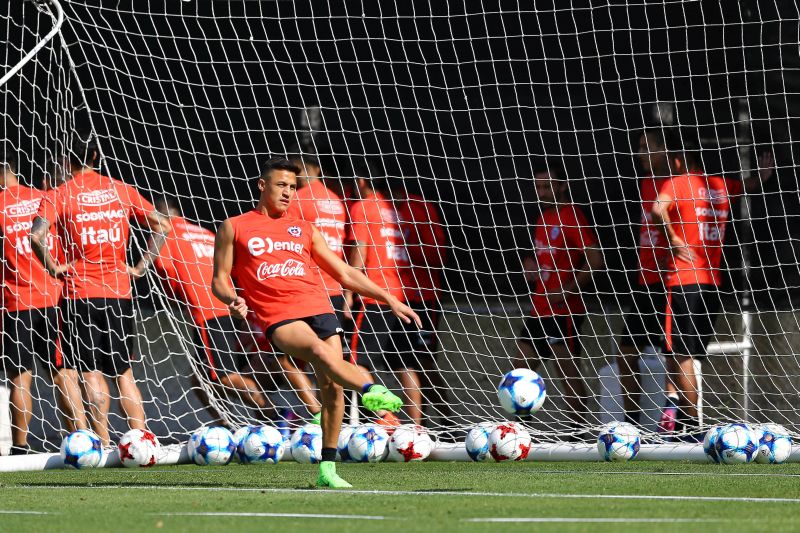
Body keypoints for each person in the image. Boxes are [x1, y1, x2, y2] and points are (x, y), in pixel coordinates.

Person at [211, 157, 418, 489]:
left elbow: (345, 272)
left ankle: (328, 469)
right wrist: (231, 299)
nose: (288, 192)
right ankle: (370, 390)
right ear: (262, 185)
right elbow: (219, 280)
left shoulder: (304, 228)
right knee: (319, 352)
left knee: (332, 387)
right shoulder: (235, 226)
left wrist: (389, 298)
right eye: (281, 185)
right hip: (278, 315)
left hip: (319, 306)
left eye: (293, 187)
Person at [30, 132, 172, 446]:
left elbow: (36, 236)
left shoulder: (59, 193)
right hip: (119, 293)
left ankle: (104, 442)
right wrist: (140, 267)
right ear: (95, 158)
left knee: (90, 371)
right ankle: (143, 440)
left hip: (80, 294)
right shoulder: (120, 189)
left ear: (67, 161)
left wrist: (53, 267)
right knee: (124, 372)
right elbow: (162, 224)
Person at [651, 143, 773, 438]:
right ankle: (675, 418)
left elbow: (657, 208)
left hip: (683, 279)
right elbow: (748, 185)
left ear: (679, 160)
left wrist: (673, 239)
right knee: (684, 355)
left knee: (680, 355)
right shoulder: (720, 185)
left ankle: (692, 429)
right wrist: (764, 174)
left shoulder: (677, 182)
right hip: (711, 283)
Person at [152, 197, 277, 421]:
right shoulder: (206, 234)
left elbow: (164, 269)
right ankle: (226, 426)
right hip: (234, 309)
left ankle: (278, 414)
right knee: (200, 381)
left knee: (223, 377)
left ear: (159, 215)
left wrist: (175, 298)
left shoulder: (167, 234)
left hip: (208, 313)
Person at [0, 151, 88, 454]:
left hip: (15, 302)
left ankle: (20, 449)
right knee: (63, 373)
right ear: (14, 169)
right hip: (54, 299)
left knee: (20, 379)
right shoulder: (45, 197)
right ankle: (81, 439)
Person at [515, 163, 603, 438]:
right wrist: (530, 268)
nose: (542, 191)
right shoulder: (543, 219)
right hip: (538, 308)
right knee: (519, 373)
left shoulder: (572, 215)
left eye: (548, 185)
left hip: (563, 310)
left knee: (567, 373)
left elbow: (595, 259)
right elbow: (541, 262)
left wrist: (567, 288)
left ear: (562, 185)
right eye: (538, 186)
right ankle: (520, 431)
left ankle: (578, 433)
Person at [615, 128, 676, 428]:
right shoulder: (645, 183)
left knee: (674, 352)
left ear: (664, 150)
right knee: (625, 351)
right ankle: (632, 422)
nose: (640, 154)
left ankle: (674, 419)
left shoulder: (678, 183)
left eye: (646, 147)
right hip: (644, 283)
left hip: (669, 282)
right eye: (638, 147)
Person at [345, 162, 411, 427]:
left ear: (361, 181)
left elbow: (360, 253)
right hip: (398, 294)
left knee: (354, 362)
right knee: (405, 363)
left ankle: (385, 417)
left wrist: (349, 292)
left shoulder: (363, 207)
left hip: (372, 295)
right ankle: (414, 424)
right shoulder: (391, 208)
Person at [392, 178, 450, 426]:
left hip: (423, 297)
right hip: (395, 299)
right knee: (403, 360)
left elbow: (438, 252)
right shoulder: (375, 208)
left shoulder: (419, 207)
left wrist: (406, 245)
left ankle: (446, 421)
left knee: (422, 362)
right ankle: (419, 426)